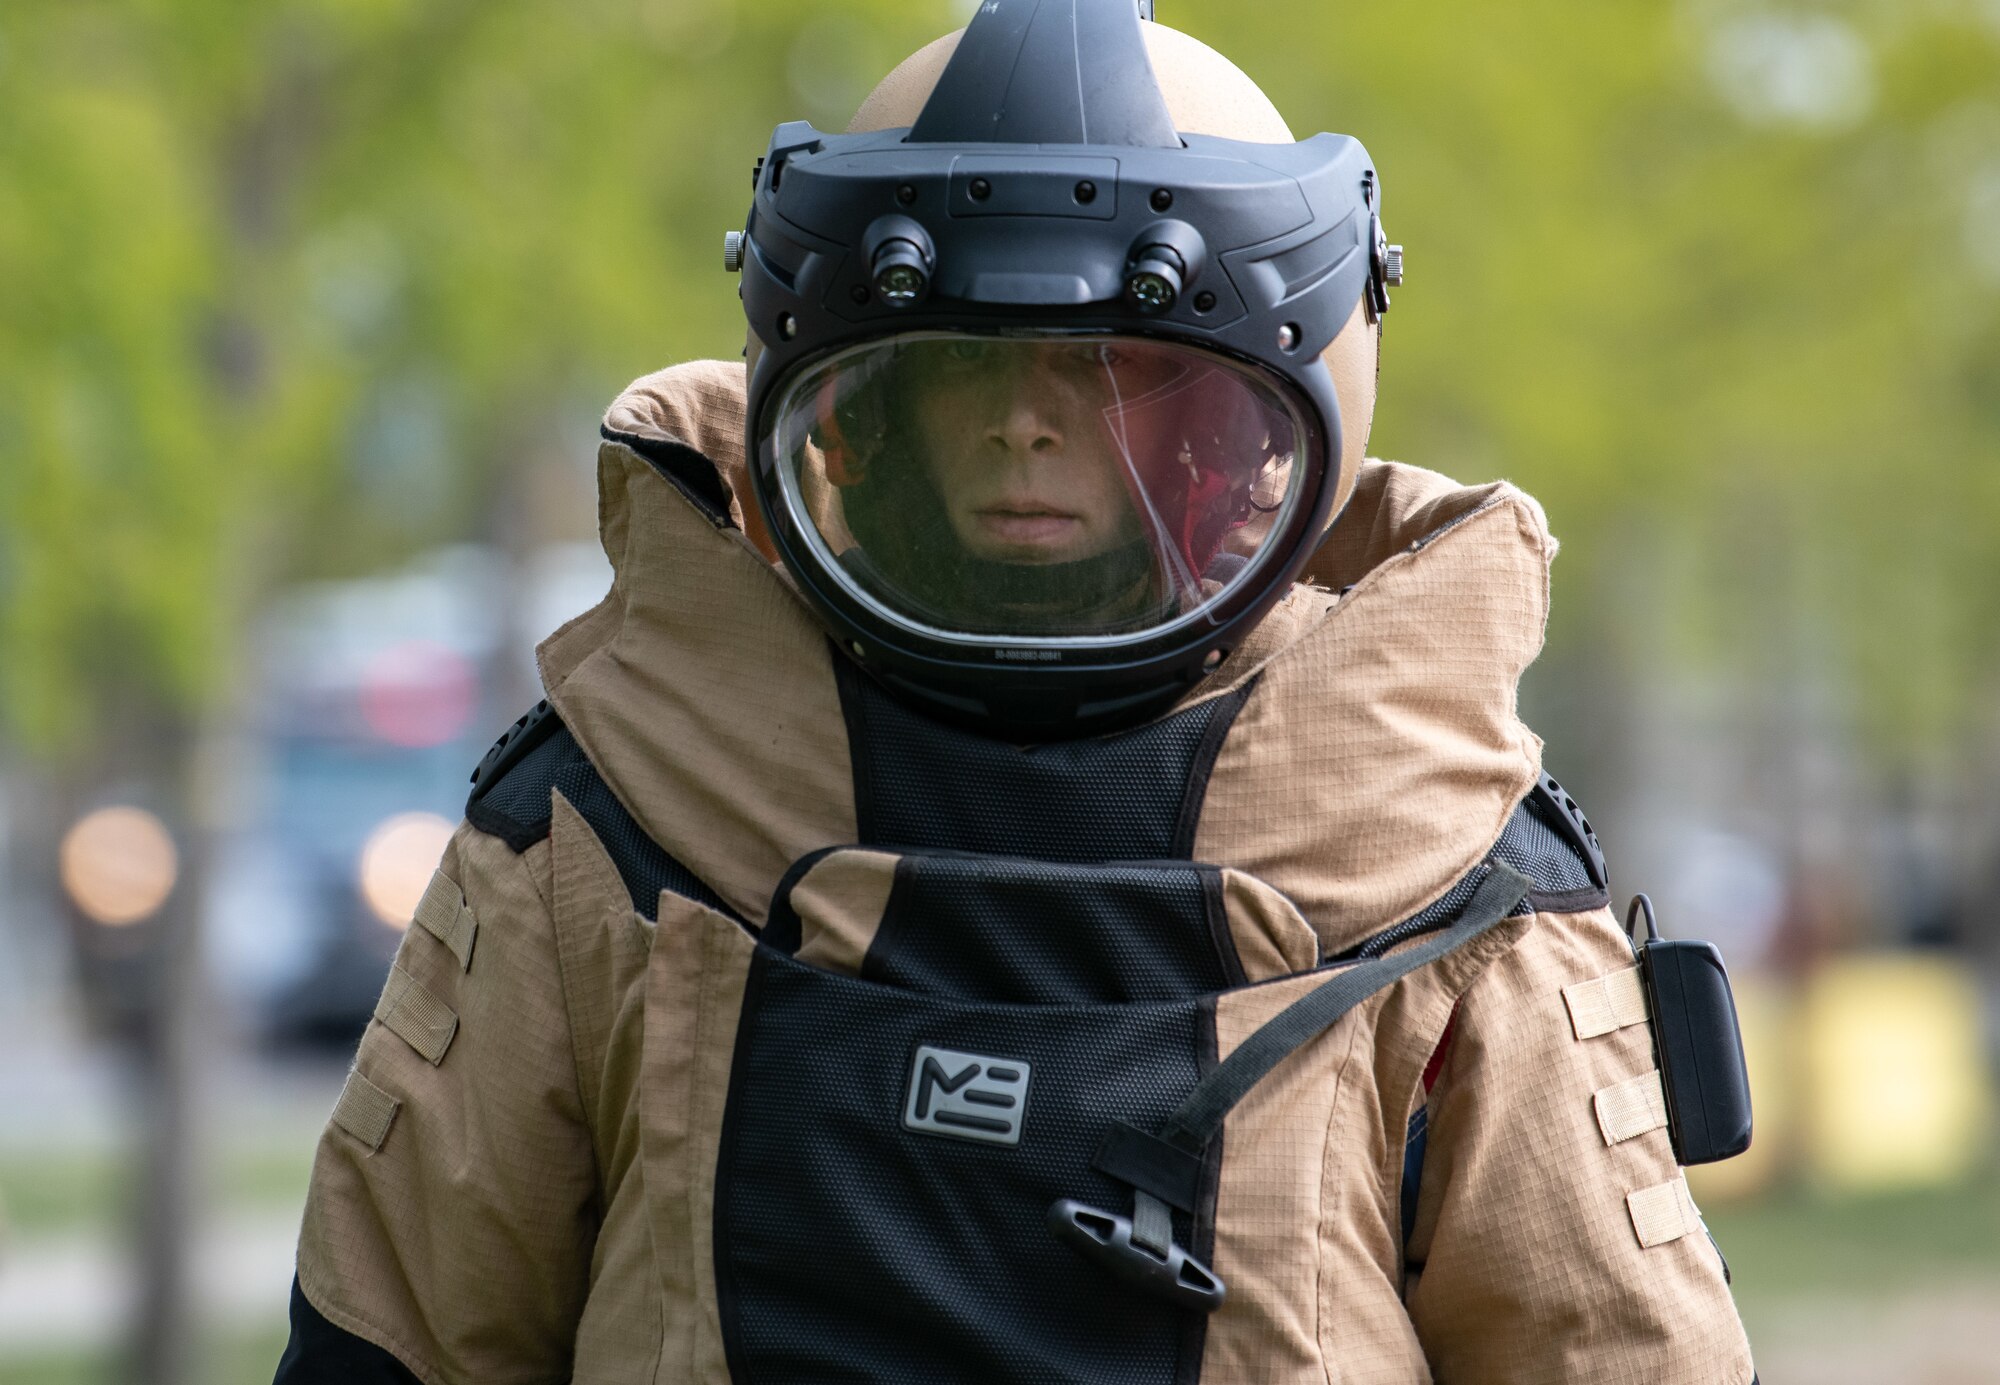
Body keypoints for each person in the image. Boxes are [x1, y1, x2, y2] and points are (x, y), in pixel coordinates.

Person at [276, 4, 1759, 1381]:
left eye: (1109, 369)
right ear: (847, 411)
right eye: (961, 371)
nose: (1028, 430)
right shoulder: (605, 829)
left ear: (1250, 436)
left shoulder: (1452, 896)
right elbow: (390, 1345)